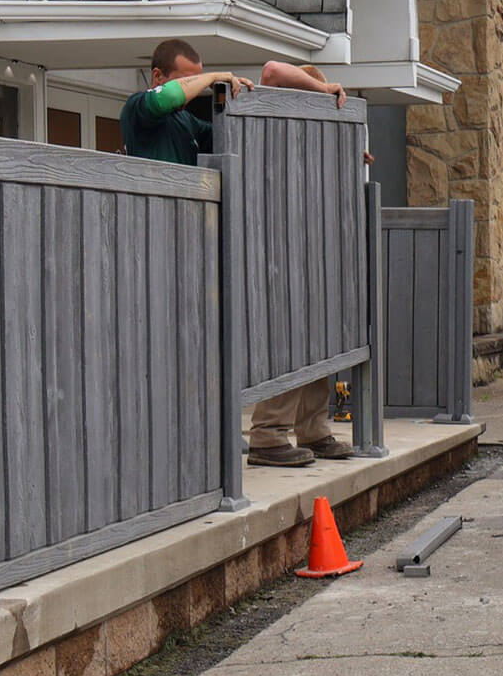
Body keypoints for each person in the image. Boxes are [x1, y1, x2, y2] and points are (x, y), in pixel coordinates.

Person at [245, 61, 357, 467]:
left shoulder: (312, 143)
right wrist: (322, 89)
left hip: (312, 255)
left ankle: (314, 429)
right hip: (274, 255)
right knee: (285, 342)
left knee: (317, 340)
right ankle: (268, 436)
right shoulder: (269, 124)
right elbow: (272, 70)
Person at [119, 39, 253, 166]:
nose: (196, 88)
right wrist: (212, 77)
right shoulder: (136, 106)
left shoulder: (186, 120)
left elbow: (228, 136)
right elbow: (170, 95)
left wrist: (240, 97)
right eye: (187, 80)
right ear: (158, 76)